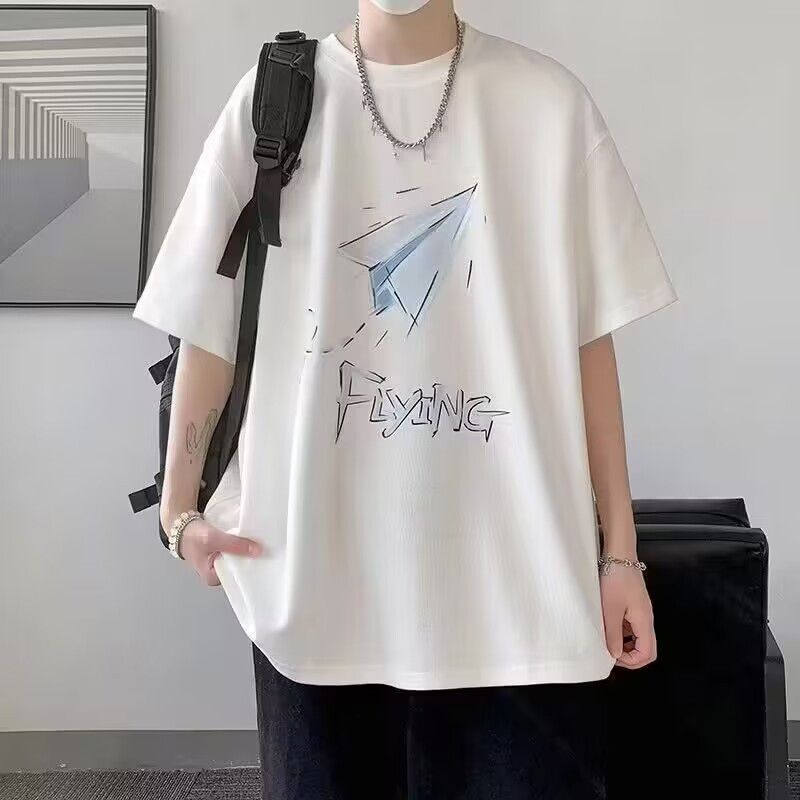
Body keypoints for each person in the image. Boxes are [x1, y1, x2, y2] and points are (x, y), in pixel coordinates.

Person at [132, 0, 678, 796]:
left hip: (517, 594)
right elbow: (207, 325)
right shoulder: (274, 99)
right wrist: (178, 512)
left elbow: (590, 345)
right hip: (317, 588)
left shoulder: (550, 106)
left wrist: (620, 555)